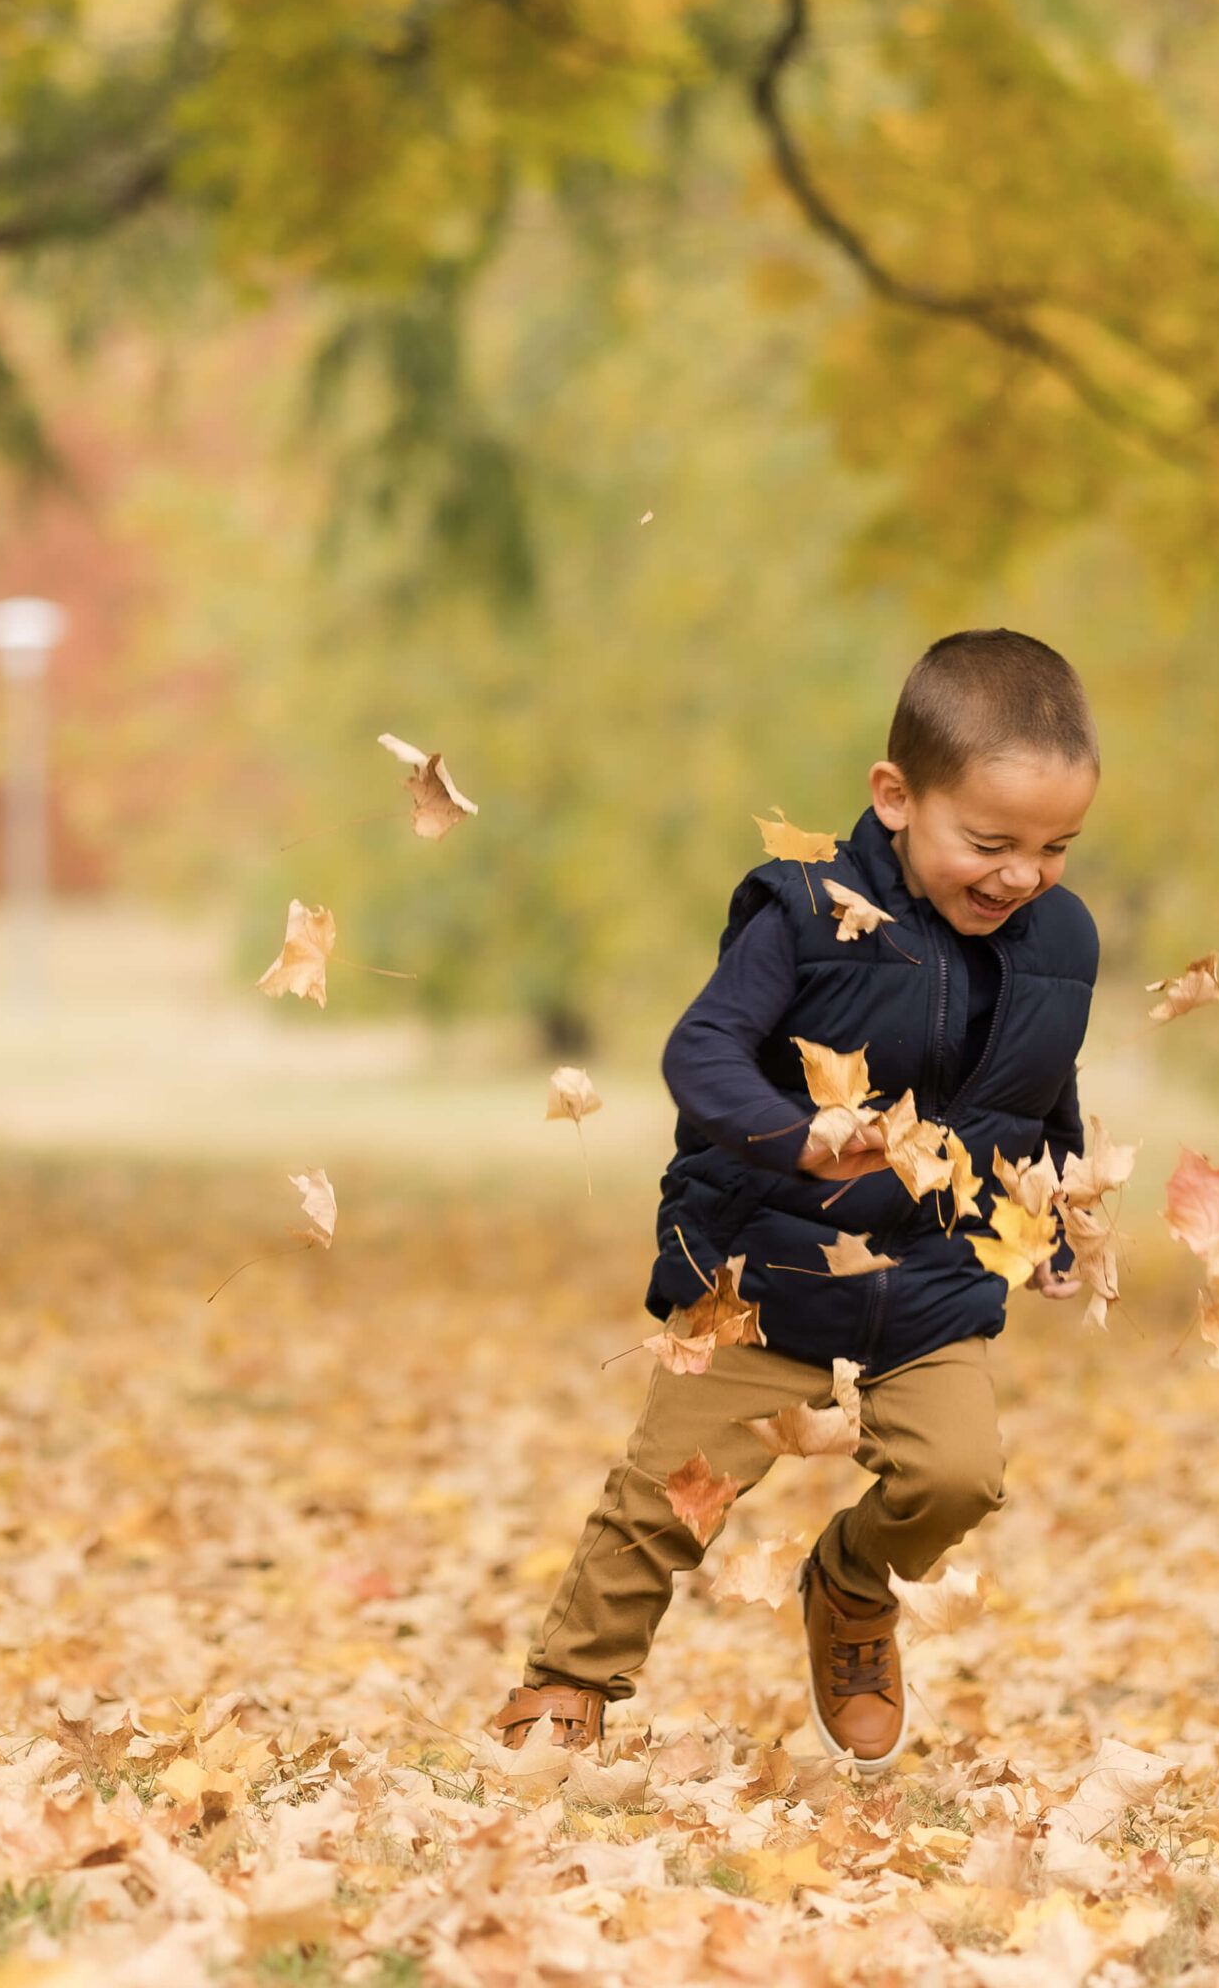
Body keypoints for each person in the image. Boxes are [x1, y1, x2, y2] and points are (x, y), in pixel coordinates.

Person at [492, 630, 1102, 1773]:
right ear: (894, 797)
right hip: (766, 1261)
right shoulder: (804, 910)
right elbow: (703, 1049)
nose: (1023, 874)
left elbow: (1038, 1081)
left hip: (931, 1274)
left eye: (1055, 845)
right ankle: (567, 1685)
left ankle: (852, 1582)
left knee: (958, 1475)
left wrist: (1049, 1211)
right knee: (673, 1496)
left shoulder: (1061, 939)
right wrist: (795, 1134)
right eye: (989, 841)